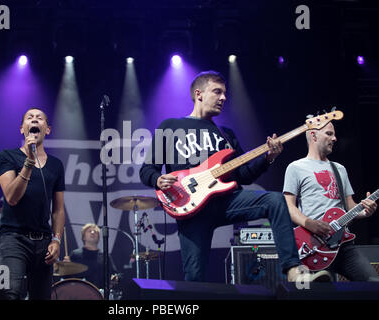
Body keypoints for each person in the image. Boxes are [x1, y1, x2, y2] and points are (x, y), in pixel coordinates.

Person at [139, 70, 324, 283]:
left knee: (275, 200)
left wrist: (268, 158)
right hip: (191, 210)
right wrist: (158, 180)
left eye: (225, 93)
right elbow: (147, 170)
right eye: (217, 92)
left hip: (227, 202)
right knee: (194, 278)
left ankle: (293, 269)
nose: (223, 98)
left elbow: (243, 176)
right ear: (199, 94)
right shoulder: (170, 127)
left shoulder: (226, 135)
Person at [283, 121, 378, 281]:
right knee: (308, 291)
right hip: (312, 244)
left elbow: (350, 207)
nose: (334, 138)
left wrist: (366, 211)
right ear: (313, 135)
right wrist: (309, 223)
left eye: (334, 134)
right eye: (329, 133)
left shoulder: (339, 169)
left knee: (373, 283)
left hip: (343, 245)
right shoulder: (296, 167)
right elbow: (288, 206)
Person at [0, 107, 65, 299]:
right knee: (10, 293)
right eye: (29, 117)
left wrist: (56, 239)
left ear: (48, 129)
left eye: (39, 118)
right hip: (13, 239)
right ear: (22, 129)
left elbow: (58, 209)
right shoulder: (7, 156)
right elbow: (11, 197)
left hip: (43, 241)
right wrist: (29, 162)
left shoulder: (56, 165)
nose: (34, 120)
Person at [63, 223, 118, 290]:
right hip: (79, 293)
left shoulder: (105, 256)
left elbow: (115, 274)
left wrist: (115, 278)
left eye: (95, 232)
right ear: (83, 237)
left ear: (98, 238)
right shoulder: (75, 254)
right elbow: (67, 278)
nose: (92, 232)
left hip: (100, 294)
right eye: (89, 231)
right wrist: (66, 268)